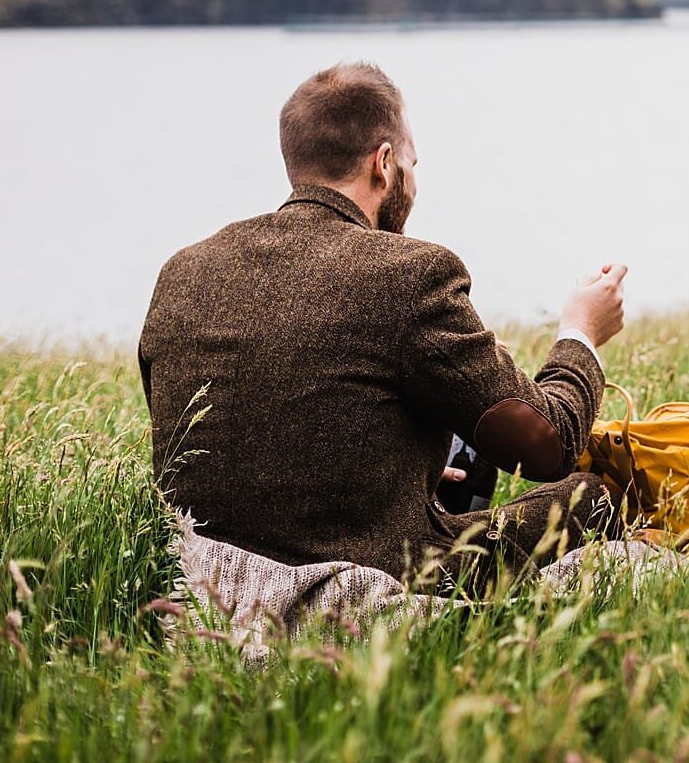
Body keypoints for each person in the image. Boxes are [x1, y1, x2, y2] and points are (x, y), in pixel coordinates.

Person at [139, 61, 626, 594]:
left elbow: (231, 432)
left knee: (459, 472)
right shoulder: (410, 273)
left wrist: (388, 472)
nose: (413, 180)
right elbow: (545, 446)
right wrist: (581, 334)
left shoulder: (182, 272)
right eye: (412, 163)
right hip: (371, 572)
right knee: (592, 496)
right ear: (385, 163)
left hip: (203, 573)